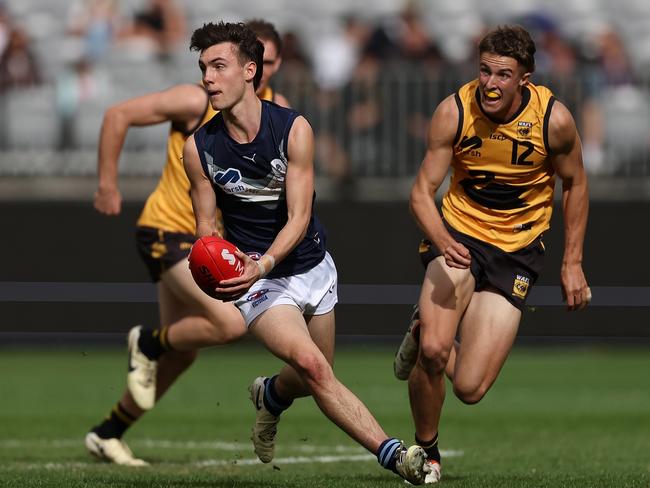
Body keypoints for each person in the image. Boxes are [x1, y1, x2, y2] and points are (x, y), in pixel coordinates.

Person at [182, 21, 430, 484]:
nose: (208, 78)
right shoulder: (199, 149)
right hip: (258, 281)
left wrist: (266, 260)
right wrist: (217, 266)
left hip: (310, 264)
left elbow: (298, 219)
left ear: (250, 71)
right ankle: (396, 455)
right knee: (315, 367)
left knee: (310, 374)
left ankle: (271, 396)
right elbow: (204, 229)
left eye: (219, 66)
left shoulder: (293, 129)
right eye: (203, 68)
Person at [85, 19, 291, 466]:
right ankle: (148, 342)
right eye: (258, 60)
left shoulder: (278, 115)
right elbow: (116, 115)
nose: (263, 70)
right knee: (230, 324)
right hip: (168, 230)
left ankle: (108, 431)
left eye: (270, 63)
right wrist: (107, 184)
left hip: (208, 245)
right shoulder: (196, 100)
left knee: (184, 352)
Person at [392, 24, 590, 483]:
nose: (491, 83)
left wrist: (572, 261)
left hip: (518, 251)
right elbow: (421, 193)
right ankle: (427, 452)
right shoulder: (453, 112)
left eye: (503, 74)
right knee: (438, 352)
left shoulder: (552, 119)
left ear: (525, 78)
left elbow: (576, 184)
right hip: (459, 238)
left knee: (471, 387)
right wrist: (443, 241)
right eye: (484, 71)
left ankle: (421, 331)